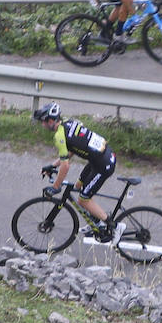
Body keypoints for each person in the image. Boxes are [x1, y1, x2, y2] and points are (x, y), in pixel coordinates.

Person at [33, 102, 125, 245]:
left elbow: (65, 166)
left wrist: (56, 187)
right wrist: (52, 166)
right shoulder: (68, 123)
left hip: (103, 165)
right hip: (99, 157)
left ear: (50, 121)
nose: (42, 126)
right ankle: (96, 222)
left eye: (43, 123)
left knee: (83, 199)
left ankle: (115, 226)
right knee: (77, 187)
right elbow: (72, 150)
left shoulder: (59, 136)